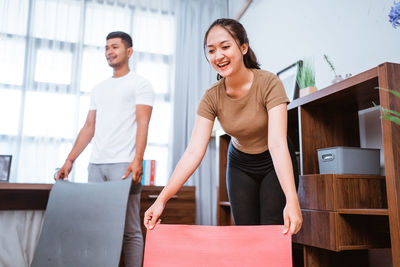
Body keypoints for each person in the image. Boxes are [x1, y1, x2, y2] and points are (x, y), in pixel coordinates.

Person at [144, 18, 302, 234]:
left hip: (274, 162)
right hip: (240, 164)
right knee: (245, 235)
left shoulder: (269, 82)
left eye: (225, 47)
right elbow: (193, 152)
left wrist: (292, 201)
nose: (218, 55)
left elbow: (277, 143)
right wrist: (161, 200)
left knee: (274, 233)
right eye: (211, 50)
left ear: (243, 47)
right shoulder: (211, 97)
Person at [56, 31, 154, 267]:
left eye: (115, 47)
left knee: (130, 228)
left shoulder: (140, 84)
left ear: (129, 52)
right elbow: (89, 126)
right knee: (97, 226)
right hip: (96, 165)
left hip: (124, 164)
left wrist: (137, 160)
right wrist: (70, 160)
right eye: (107, 47)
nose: (109, 51)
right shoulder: (99, 88)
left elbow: (143, 123)